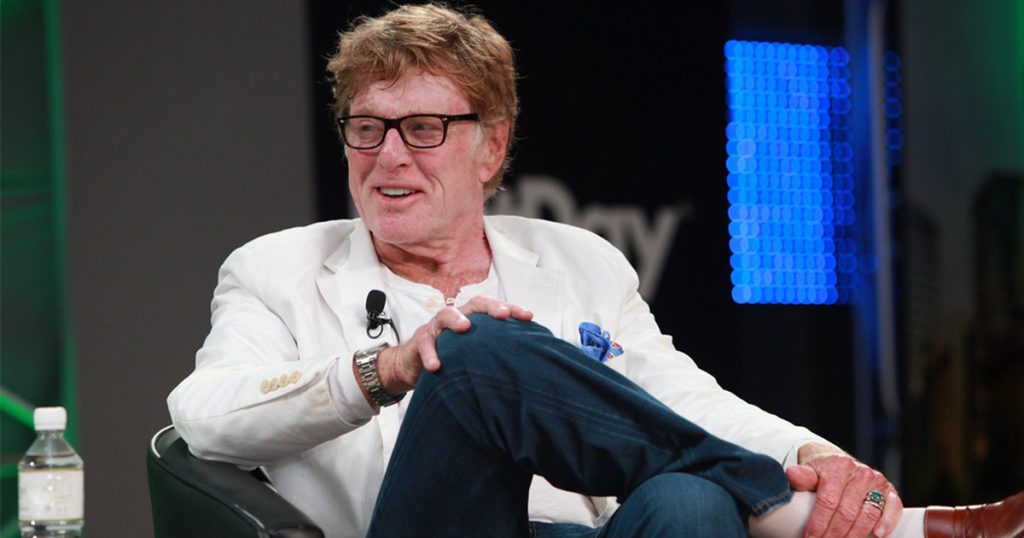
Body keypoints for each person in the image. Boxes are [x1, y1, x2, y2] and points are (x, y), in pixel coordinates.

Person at [167, 4, 1023, 538]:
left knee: (691, 505)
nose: (388, 156)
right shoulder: (276, 268)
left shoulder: (578, 259)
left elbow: (682, 398)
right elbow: (202, 420)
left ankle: (776, 499)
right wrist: (383, 369)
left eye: (423, 129)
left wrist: (814, 455)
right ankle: (860, 526)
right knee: (471, 350)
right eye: (367, 129)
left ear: (491, 147)